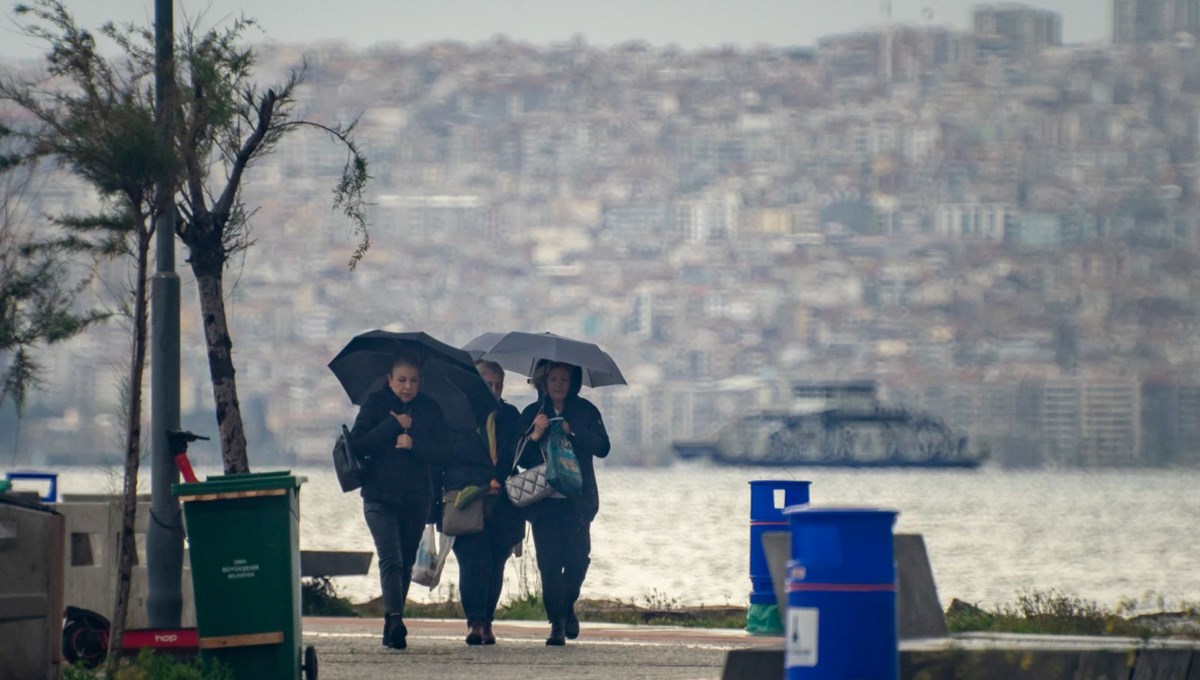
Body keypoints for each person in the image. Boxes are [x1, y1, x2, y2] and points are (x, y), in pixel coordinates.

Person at [349, 350, 449, 650]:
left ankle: (393, 619)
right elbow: (357, 444)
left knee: (404, 561)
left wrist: (414, 442)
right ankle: (394, 620)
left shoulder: (430, 409)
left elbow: (444, 451)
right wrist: (392, 425)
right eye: (402, 380)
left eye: (413, 380)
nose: (407, 386)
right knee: (390, 558)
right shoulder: (376, 404)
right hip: (379, 497)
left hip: (416, 499)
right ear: (389, 380)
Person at [516, 360, 611, 646]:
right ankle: (556, 622)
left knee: (578, 559)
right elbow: (519, 458)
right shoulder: (532, 413)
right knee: (549, 564)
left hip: (577, 501)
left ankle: (568, 604)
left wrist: (572, 431)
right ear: (543, 382)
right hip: (544, 504)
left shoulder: (586, 411)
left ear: (573, 383)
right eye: (553, 378)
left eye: (564, 379)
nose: (558, 384)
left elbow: (603, 447)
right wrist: (535, 435)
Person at [440, 360, 524, 645]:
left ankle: (487, 620)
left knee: (496, 562)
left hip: (502, 502)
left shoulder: (510, 416)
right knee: (471, 561)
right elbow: (452, 461)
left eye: (499, 386)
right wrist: (481, 482)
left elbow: (516, 453)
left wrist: (498, 479)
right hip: (468, 499)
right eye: (488, 384)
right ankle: (475, 622)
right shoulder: (456, 418)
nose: (494, 391)